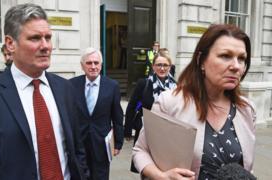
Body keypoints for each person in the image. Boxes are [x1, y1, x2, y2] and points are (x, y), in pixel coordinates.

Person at [0, 3, 88, 180]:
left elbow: (77, 151)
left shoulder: (65, 89)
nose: (46, 46)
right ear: (10, 44)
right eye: (35, 38)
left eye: (48, 37)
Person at [132, 24, 256, 180]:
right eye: (225, 56)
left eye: (242, 58)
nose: (236, 66)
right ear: (201, 60)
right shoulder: (170, 102)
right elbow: (140, 151)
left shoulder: (247, 109)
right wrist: (161, 176)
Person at [70, 47, 124, 180]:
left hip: (102, 144)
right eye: (89, 63)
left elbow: (117, 116)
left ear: (101, 65)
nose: (93, 66)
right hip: (79, 144)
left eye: (96, 63)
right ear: (82, 66)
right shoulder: (71, 85)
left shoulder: (112, 86)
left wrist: (118, 143)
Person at [124, 49, 176, 173]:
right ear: (153, 66)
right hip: (146, 134)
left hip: (168, 136)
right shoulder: (144, 84)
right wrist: (127, 131)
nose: (162, 68)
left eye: (165, 65)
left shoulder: (176, 87)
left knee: (165, 170)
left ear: (170, 66)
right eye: (159, 65)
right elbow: (131, 107)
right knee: (147, 169)